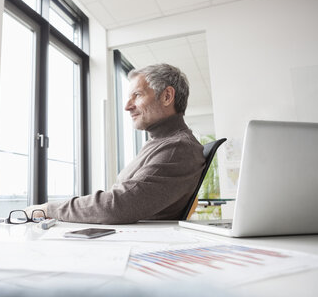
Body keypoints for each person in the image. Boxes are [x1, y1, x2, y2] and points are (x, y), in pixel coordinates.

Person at [25, 63, 205, 224]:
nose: (127, 106)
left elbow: (118, 205)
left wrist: (49, 209)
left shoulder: (178, 148)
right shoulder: (160, 143)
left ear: (167, 96)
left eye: (137, 95)